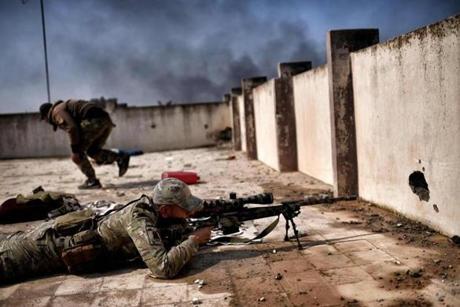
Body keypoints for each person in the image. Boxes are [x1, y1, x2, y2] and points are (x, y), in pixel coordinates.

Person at [0, 178, 212, 284]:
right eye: (185, 207)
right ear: (165, 210)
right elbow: (163, 268)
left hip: (53, 237)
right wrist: (194, 240)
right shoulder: (139, 218)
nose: (189, 210)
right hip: (40, 248)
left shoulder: (154, 209)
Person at [39, 99, 130, 189]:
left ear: (46, 115)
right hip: (105, 120)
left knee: (77, 156)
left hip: (94, 120)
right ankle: (121, 158)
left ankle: (92, 181)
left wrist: (75, 150)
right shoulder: (62, 107)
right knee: (93, 151)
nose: (45, 121)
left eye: (44, 119)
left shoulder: (56, 112)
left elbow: (72, 128)